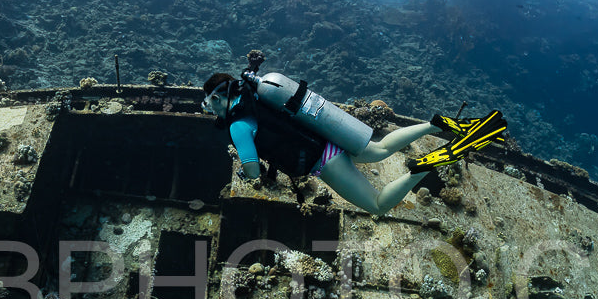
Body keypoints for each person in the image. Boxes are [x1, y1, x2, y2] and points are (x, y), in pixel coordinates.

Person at [201, 71, 500, 216]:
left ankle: (425, 166)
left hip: (321, 159)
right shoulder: (259, 95)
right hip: (325, 137)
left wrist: (246, 170)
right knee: (381, 149)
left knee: (378, 205)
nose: (210, 109)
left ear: (218, 97)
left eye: (209, 103)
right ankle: (434, 124)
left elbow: (253, 170)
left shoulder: (239, 125)